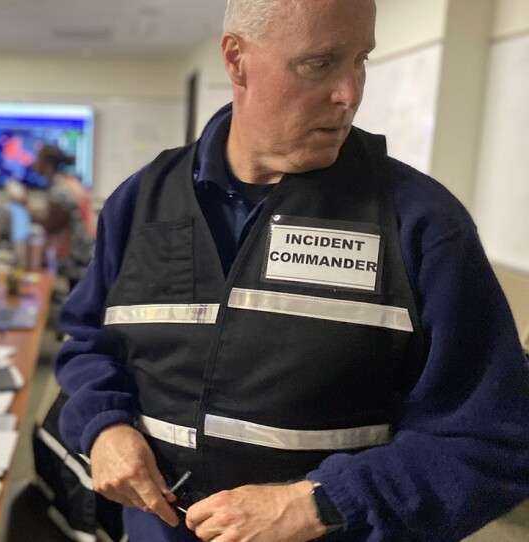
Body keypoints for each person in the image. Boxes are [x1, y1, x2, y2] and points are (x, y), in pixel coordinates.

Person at [52, 1, 529, 541]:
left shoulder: (420, 223)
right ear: (237, 61)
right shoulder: (141, 202)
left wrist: (321, 503)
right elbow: (89, 344)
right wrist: (104, 427)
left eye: (361, 61)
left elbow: (492, 439)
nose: (350, 93)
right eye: (320, 63)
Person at [30, 144, 96, 290]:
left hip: (78, 257)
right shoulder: (69, 182)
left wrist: (26, 206)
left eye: (38, 159)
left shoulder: (60, 190)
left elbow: (51, 225)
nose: (35, 163)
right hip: (85, 253)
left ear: (48, 163)